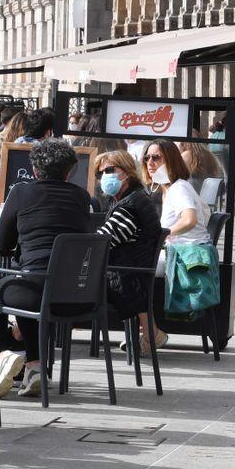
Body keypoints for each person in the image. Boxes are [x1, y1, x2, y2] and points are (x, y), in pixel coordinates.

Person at [0, 139, 91, 397]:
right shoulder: (82, 197)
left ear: (35, 170)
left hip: (34, 291)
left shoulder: (21, 193)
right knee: (28, 281)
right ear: (69, 171)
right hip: (78, 296)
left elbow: (1, 243)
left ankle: (4, 353)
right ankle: (35, 367)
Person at [142, 138, 214, 349]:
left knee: (132, 270)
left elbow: (189, 219)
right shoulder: (170, 189)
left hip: (185, 255)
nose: (150, 162)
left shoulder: (178, 188)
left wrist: (162, 235)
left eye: (156, 157)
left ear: (171, 161)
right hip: (180, 251)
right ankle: (149, 332)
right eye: (147, 157)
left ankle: (149, 334)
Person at [92, 150, 164, 353]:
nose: (104, 176)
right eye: (101, 173)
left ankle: (31, 336)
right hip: (133, 278)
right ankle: (151, 334)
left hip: (125, 280)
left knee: (65, 284)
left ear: (126, 171)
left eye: (109, 170)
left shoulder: (128, 206)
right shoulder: (135, 197)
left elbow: (102, 242)